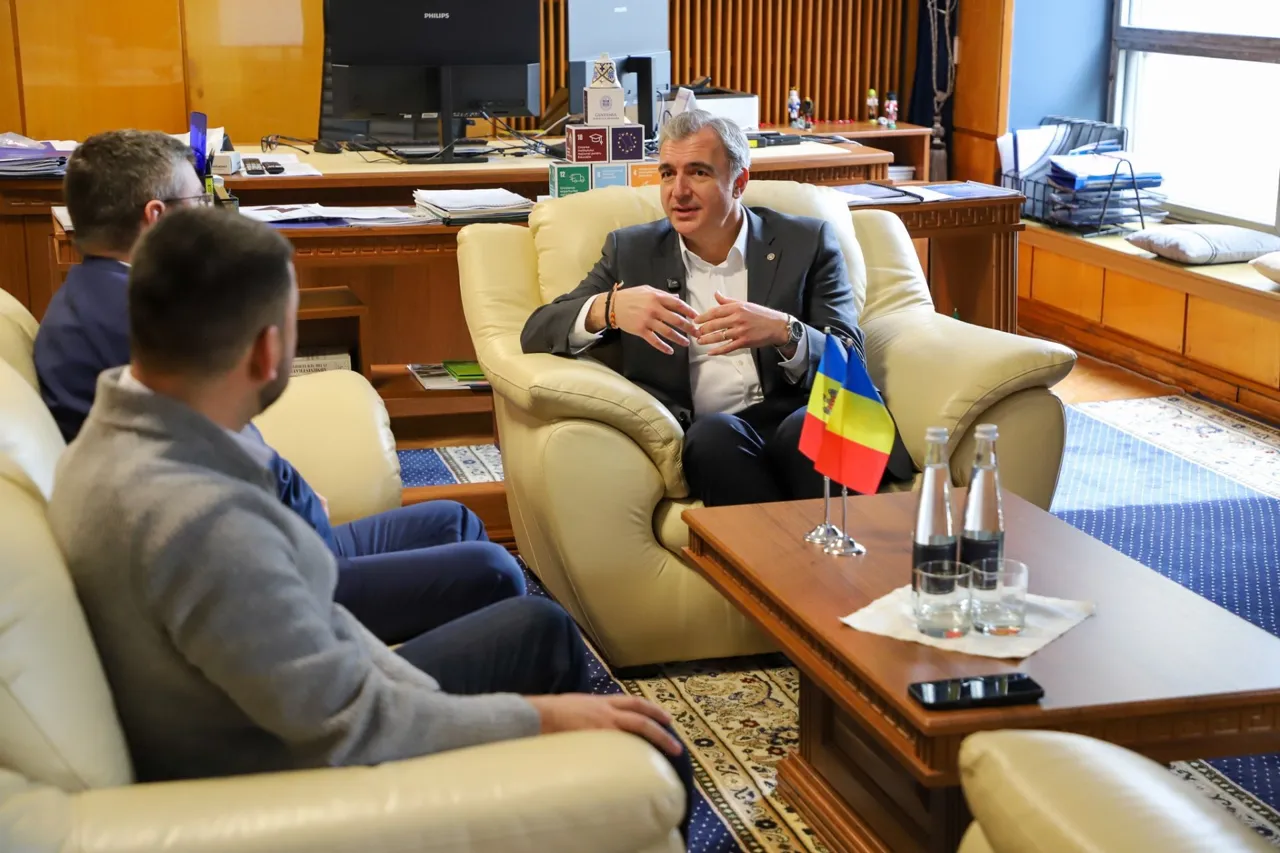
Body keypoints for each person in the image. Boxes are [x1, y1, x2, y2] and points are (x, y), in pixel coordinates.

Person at [47, 207, 695, 837]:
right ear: (269, 350)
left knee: (533, 623)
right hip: (282, 775)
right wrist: (543, 717)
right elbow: (353, 724)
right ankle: (593, 798)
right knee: (640, 732)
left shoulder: (112, 435)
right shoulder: (206, 524)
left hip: (265, 708)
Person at [33, 129, 523, 644]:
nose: (206, 217)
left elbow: (214, 441)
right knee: (492, 572)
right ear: (156, 217)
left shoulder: (96, 298)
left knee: (454, 523)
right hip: (264, 579)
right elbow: (204, 473)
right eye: (196, 202)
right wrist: (289, 507)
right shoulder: (139, 321)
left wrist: (295, 495)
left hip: (279, 543)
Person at [520, 110, 913, 507]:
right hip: (714, 435)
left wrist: (786, 331)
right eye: (668, 173)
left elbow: (850, 360)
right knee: (712, 439)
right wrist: (610, 307)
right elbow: (537, 330)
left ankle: (816, 544)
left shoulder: (805, 241)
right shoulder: (632, 252)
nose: (679, 191)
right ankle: (781, 546)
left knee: (808, 428)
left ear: (739, 182)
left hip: (800, 412)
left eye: (698, 173)